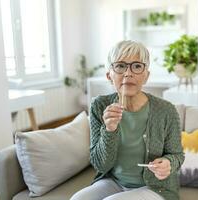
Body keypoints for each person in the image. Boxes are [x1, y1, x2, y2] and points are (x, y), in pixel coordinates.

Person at [70, 40, 185, 200]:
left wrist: (168, 163)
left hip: (155, 188)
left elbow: (177, 155)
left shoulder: (166, 110)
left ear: (146, 76)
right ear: (110, 76)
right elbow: (100, 165)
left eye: (137, 66)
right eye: (120, 66)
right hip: (113, 182)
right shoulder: (99, 106)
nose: (128, 73)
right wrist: (109, 130)